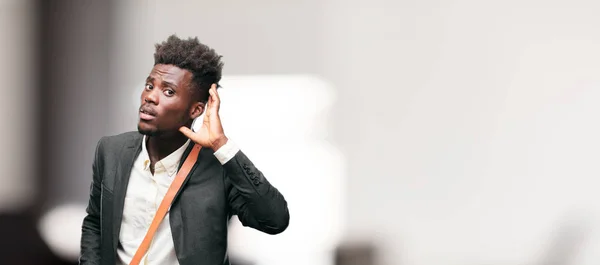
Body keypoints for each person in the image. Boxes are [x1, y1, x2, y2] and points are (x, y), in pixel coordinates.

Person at [79, 35, 290, 265]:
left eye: (168, 91)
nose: (150, 96)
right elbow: (95, 222)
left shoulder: (220, 169)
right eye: (150, 85)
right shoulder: (111, 151)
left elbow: (275, 220)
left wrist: (222, 145)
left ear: (196, 110)